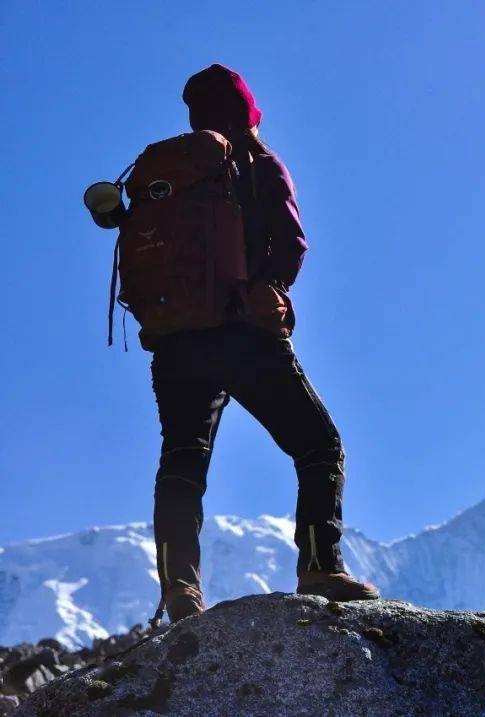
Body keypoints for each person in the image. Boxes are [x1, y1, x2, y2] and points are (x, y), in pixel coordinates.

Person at [149, 63, 379, 623]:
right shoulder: (254, 163)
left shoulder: (165, 174)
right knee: (318, 446)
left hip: (175, 341)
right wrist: (263, 289)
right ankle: (320, 566)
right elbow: (292, 244)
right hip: (244, 333)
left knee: (183, 460)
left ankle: (180, 588)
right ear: (247, 110)